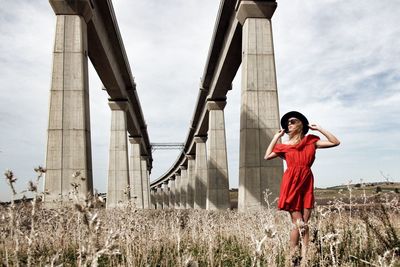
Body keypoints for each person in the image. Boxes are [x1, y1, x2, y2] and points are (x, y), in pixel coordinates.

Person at [264, 111, 340, 259]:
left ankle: (305, 258)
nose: (289, 124)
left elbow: (335, 142)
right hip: (291, 184)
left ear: (300, 124)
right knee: (298, 223)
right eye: (287, 123)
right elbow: (267, 156)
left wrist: (319, 128)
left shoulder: (311, 142)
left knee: (305, 223)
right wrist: (275, 138)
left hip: (306, 183)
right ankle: (292, 258)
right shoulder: (285, 146)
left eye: (292, 121)